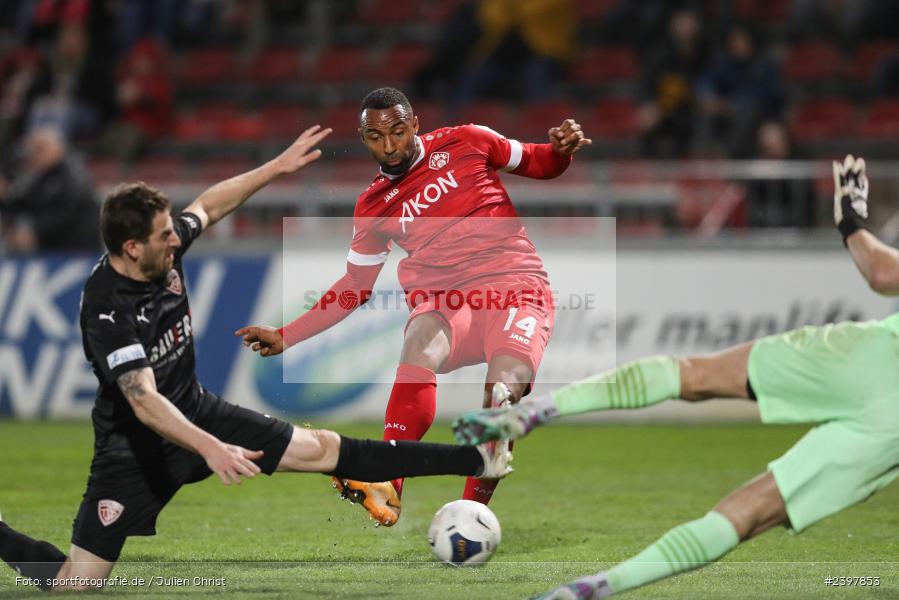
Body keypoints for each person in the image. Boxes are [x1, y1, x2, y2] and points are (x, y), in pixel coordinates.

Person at [0, 126, 513, 592]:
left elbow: (209, 205)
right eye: (164, 236)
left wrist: (275, 167)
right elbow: (143, 401)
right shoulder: (108, 309)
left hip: (197, 411)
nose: (177, 239)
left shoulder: (163, 248)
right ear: (132, 248)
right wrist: (213, 449)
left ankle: (475, 457)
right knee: (76, 584)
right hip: (136, 450)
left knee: (324, 450)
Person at [454, 154, 899, 598]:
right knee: (750, 513)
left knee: (693, 376)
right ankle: (594, 589)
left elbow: (882, 272)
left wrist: (851, 220)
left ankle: (536, 410)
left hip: (879, 356)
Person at [237, 87, 591, 526]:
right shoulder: (372, 205)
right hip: (447, 302)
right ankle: (389, 485)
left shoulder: (468, 140)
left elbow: (540, 161)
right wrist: (286, 334)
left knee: (501, 394)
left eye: (398, 132)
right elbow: (354, 285)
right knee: (419, 338)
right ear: (363, 139)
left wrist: (560, 151)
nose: (388, 146)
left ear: (415, 125)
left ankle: (473, 514)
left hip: (514, 287)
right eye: (374, 137)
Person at [0, 126, 100, 252]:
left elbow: (69, 211)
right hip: (51, 248)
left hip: (77, 248)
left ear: (57, 148)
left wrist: (35, 231)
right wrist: (6, 197)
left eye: (40, 149)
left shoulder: (73, 171)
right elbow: (24, 202)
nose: (34, 155)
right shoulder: (39, 175)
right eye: (32, 150)